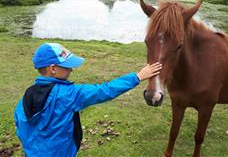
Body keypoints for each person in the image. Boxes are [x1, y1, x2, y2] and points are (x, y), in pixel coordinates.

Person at [14, 43, 162, 157]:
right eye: (67, 66)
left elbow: (20, 127)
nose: (71, 69)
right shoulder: (69, 94)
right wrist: (137, 77)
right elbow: (105, 90)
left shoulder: (26, 96)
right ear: (53, 68)